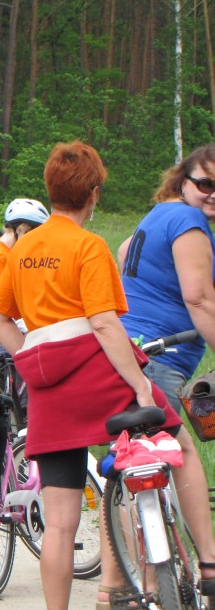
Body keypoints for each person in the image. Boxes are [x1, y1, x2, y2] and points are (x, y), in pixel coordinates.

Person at [0, 141, 215, 610]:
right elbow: (106, 324)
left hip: (49, 392)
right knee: (180, 449)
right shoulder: (88, 246)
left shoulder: (24, 248)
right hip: (97, 376)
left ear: (50, 189)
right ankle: (209, 564)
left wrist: (29, 354)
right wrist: (140, 385)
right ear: (93, 194)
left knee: (60, 523)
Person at [117, 145, 215, 412]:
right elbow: (198, 299)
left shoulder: (162, 212)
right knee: (156, 440)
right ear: (184, 182)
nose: (213, 194)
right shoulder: (188, 220)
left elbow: (124, 252)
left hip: (130, 349)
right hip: (160, 359)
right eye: (206, 184)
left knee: (153, 438)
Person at [0, 198, 49, 343]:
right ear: (21, 230)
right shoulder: (1, 256)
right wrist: (22, 323)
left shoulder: (6, 251)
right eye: (34, 236)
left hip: (0, 334)